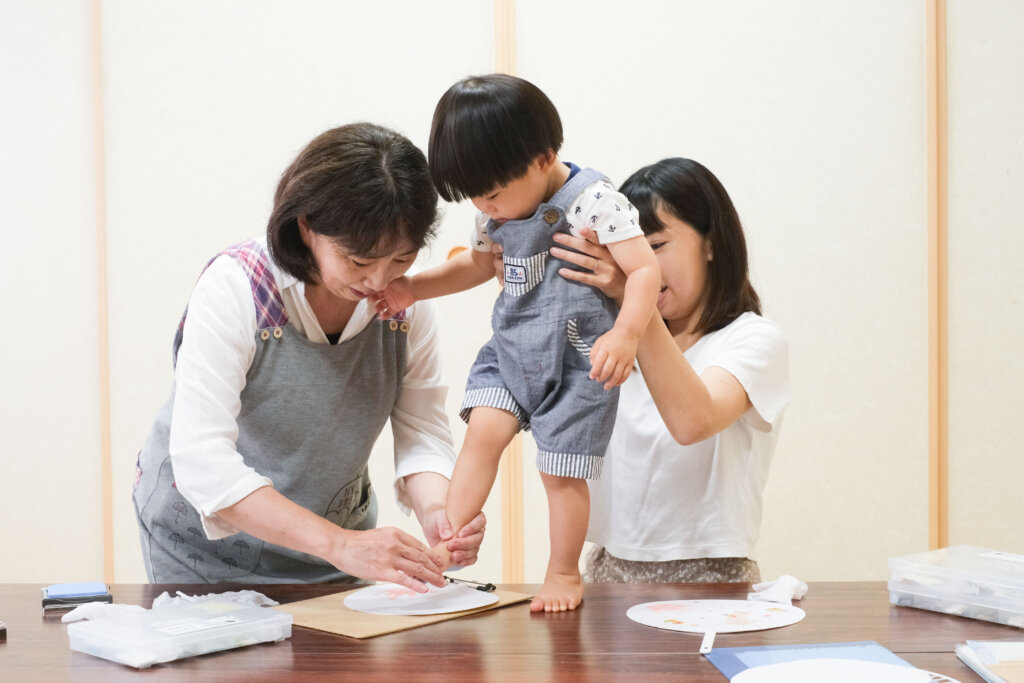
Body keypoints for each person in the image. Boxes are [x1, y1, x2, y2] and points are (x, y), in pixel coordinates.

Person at [132, 122, 486, 587]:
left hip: (335, 552)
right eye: (359, 261)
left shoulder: (405, 306)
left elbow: (421, 432)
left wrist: (440, 513)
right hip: (205, 553)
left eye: (401, 259)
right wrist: (339, 544)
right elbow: (203, 459)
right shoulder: (235, 288)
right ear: (306, 227)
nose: (380, 282)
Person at [376, 74, 660, 611]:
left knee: (559, 473)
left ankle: (561, 572)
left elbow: (644, 271)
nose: (488, 207)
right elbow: (477, 265)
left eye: (493, 193)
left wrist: (625, 333)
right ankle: (444, 546)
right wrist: (412, 286)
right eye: (477, 198)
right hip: (512, 352)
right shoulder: (496, 211)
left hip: (578, 361)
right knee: (481, 434)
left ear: (542, 157)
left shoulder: (597, 202)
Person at [550, 157, 790, 583]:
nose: (642, 265)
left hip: (713, 577)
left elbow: (692, 421)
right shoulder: (609, 337)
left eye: (656, 247)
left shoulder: (753, 339)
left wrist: (631, 298)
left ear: (711, 244)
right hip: (606, 567)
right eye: (629, 249)